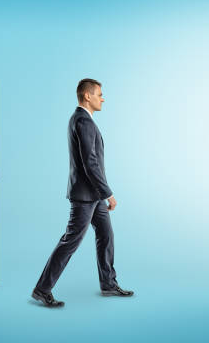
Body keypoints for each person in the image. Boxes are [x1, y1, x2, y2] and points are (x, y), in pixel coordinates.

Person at [32, 78, 133, 307]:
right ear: (87, 96)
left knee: (106, 235)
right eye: (99, 94)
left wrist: (102, 193)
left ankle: (108, 283)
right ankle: (42, 289)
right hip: (86, 195)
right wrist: (109, 193)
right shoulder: (83, 121)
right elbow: (90, 163)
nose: (102, 98)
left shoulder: (81, 120)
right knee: (70, 242)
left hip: (93, 194)